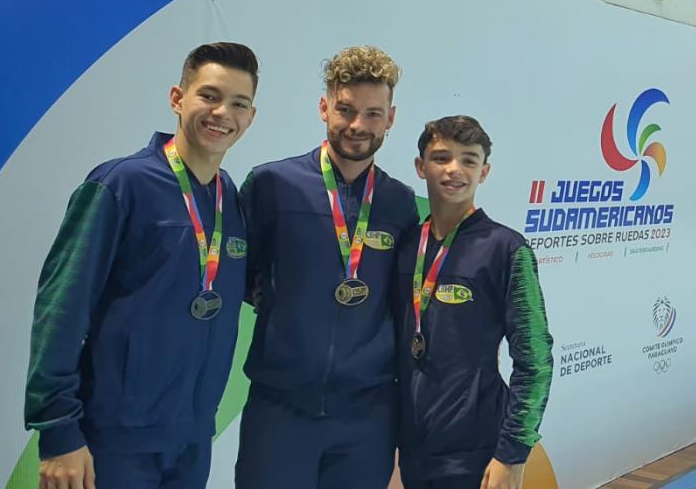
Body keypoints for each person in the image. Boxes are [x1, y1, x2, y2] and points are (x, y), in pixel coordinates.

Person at [25, 42, 259, 489]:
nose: (222, 113)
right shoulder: (119, 185)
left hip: (191, 439)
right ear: (177, 98)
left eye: (238, 103)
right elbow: (61, 308)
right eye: (209, 95)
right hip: (113, 440)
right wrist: (58, 432)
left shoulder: (230, 198)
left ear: (250, 117)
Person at [234, 47, 419, 489]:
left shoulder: (399, 203)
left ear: (390, 118)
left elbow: (401, 299)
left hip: (367, 414)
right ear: (324, 108)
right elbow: (237, 273)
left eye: (373, 114)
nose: (358, 125)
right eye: (346, 109)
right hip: (280, 408)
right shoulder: (272, 184)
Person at [395, 116, 554, 489]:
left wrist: (513, 452)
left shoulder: (506, 249)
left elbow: (535, 360)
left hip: (477, 447)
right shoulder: (405, 248)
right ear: (421, 167)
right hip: (413, 444)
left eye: (469, 159)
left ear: (484, 171)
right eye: (441, 157)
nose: (455, 169)